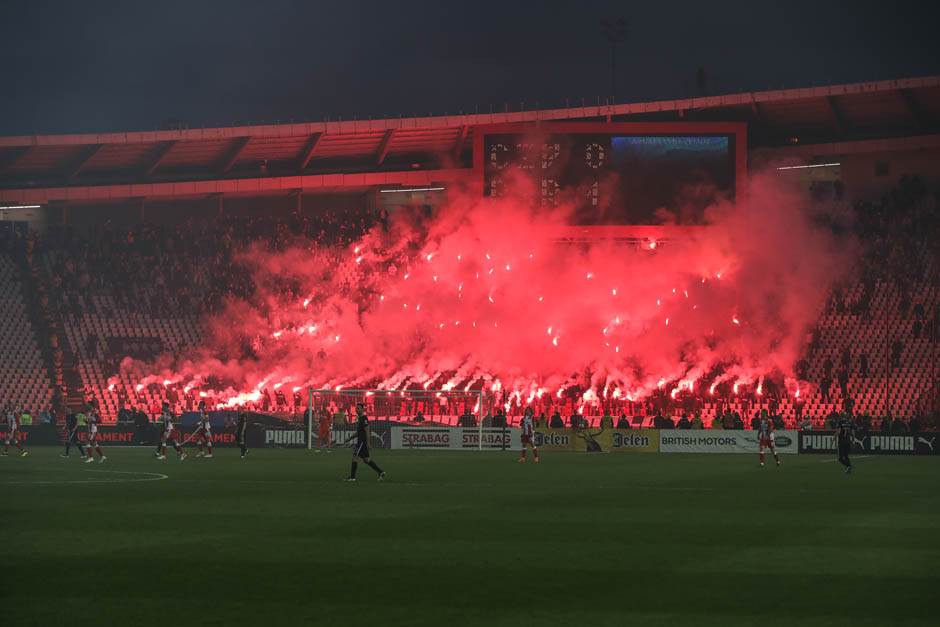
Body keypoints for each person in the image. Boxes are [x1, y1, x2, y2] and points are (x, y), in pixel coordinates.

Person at [346, 403, 385, 482]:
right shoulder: (360, 419)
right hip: (361, 442)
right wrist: (350, 438)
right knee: (366, 460)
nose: (357, 410)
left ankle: (352, 477)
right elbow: (359, 432)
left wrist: (368, 443)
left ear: (362, 409)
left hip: (362, 443)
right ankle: (381, 472)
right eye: (356, 408)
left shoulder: (364, 418)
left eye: (359, 408)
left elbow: (367, 431)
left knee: (354, 457)